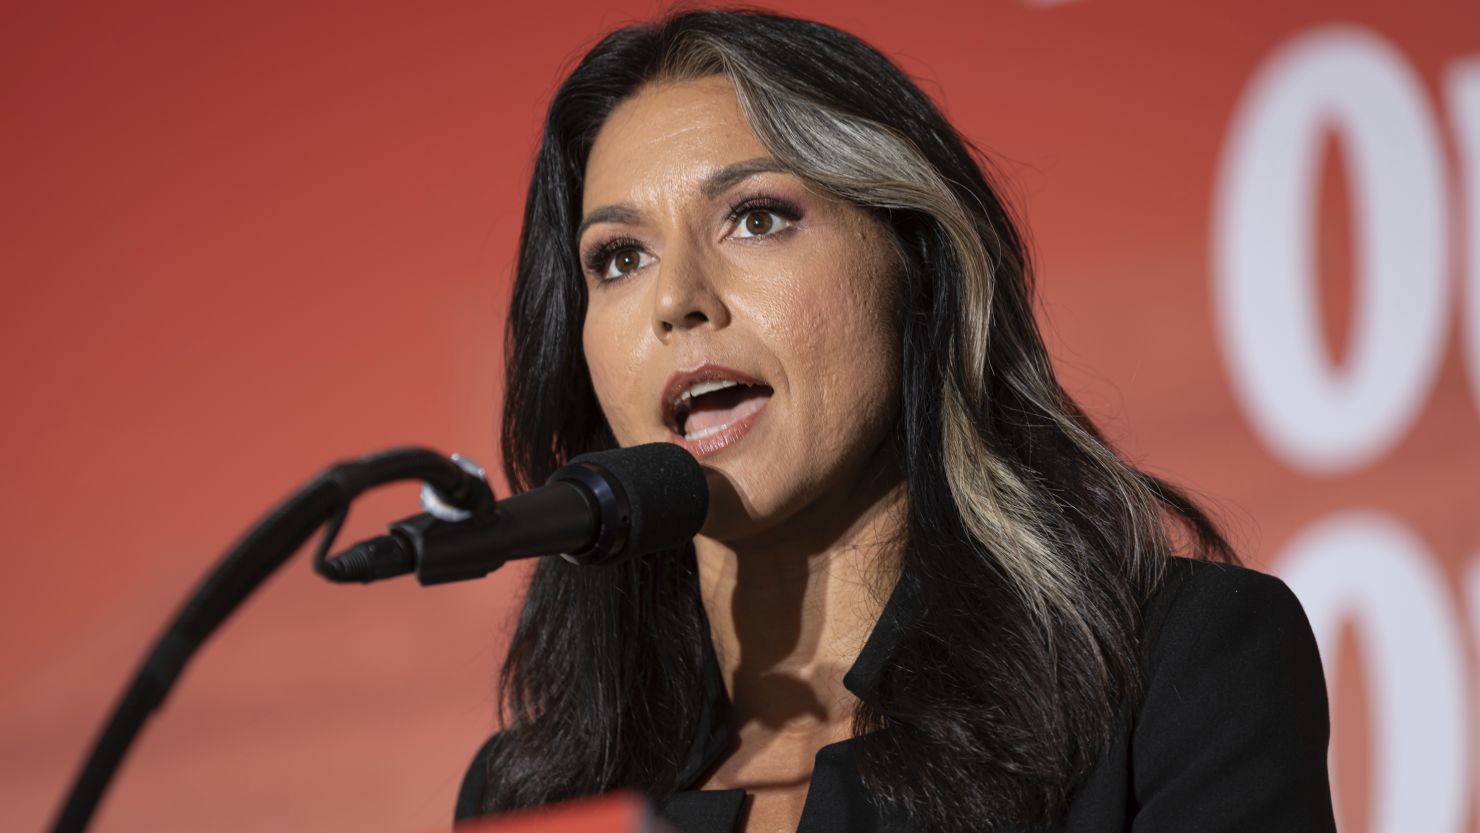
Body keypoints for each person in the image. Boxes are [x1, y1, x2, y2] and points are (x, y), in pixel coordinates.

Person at [455, 9, 1337, 833]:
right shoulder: (536, 795)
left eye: (756, 218)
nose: (678, 299)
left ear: (914, 259)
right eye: (619, 257)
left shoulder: (1176, 672)